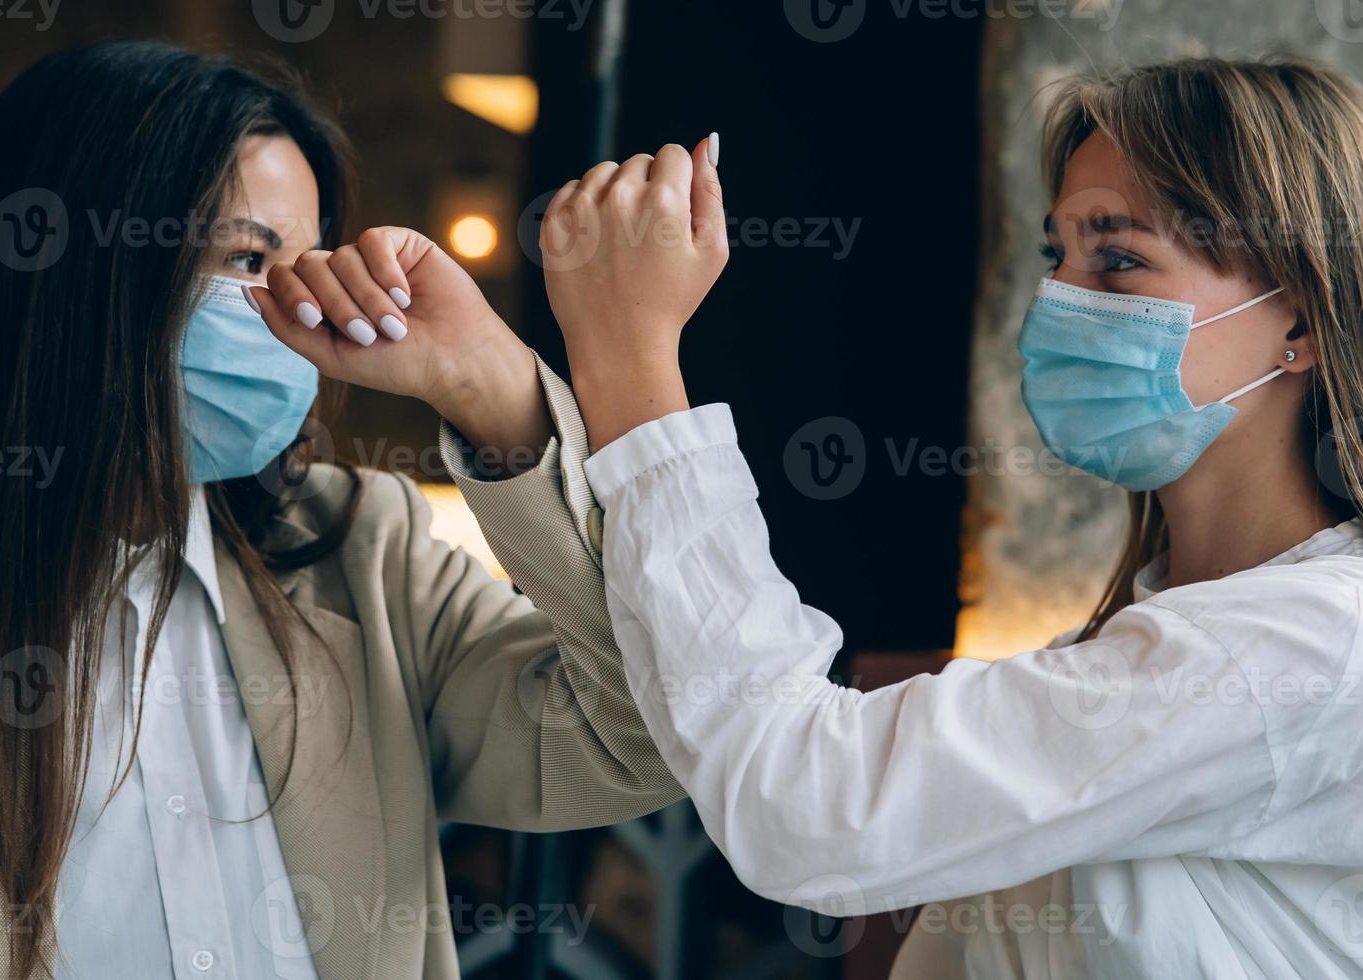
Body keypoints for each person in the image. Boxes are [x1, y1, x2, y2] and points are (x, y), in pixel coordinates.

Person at [430, 57, 1363, 978]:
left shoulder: (1315, 646)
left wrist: (629, 358)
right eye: (1058, 254)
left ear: (1301, 322)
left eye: (1118, 258)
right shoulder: (1135, 643)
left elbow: (809, 803)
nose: (1061, 302)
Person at [0, 40, 683, 980]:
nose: (294, 307)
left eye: (309, 261)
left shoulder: (366, 557)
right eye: (246, 256)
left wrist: (493, 391)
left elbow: (649, 734)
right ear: (76, 273)